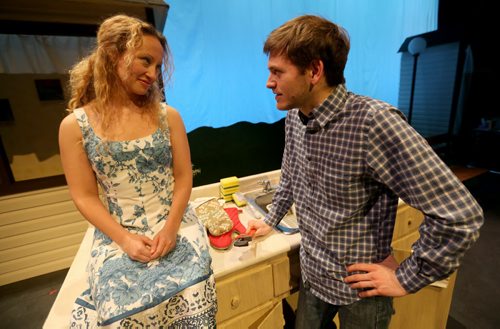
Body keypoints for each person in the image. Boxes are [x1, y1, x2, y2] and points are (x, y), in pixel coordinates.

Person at [247, 15, 484, 329]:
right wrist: (270, 219)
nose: (269, 82)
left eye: (277, 72)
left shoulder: (373, 123)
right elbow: (291, 174)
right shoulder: (294, 116)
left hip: (360, 291)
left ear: (314, 71)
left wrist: (406, 277)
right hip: (314, 276)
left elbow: (461, 215)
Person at [59, 15, 217, 328]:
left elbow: (184, 177)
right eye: (145, 61)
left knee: (197, 285)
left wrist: (171, 229)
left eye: (158, 66)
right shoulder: (74, 126)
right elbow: (84, 196)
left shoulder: (168, 116)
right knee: (118, 302)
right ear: (113, 55)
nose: (152, 74)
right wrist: (124, 239)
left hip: (176, 221)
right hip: (119, 231)